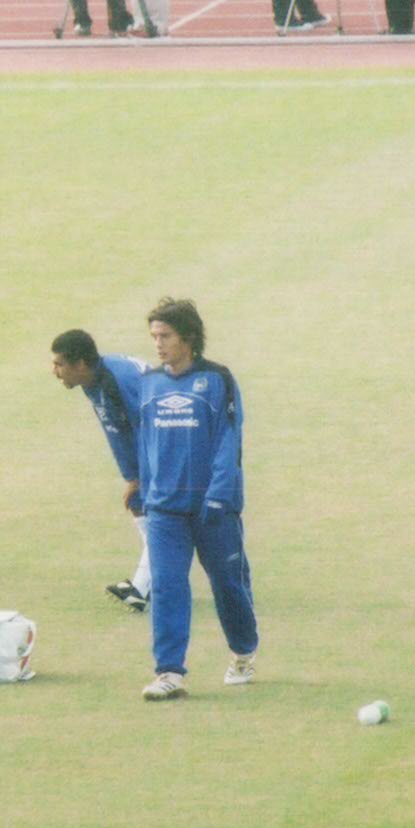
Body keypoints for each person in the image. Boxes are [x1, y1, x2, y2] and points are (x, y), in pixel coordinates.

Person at [136, 298, 257, 701]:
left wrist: (220, 495)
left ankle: (243, 651)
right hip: (164, 509)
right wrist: (148, 492)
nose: (158, 344)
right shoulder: (149, 383)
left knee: (227, 584)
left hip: (213, 507)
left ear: (188, 337)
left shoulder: (217, 380)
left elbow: (228, 440)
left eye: (165, 336)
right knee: (167, 586)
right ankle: (169, 672)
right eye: (154, 336)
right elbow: (146, 442)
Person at [50, 329, 152, 612]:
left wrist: (143, 477)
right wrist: (132, 477)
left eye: (59, 364)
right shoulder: (90, 381)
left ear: (80, 364)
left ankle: (142, 588)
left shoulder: (119, 381)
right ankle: (150, 581)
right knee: (140, 506)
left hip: (168, 450)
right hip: (143, 460)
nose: (54, 371)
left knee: (163, 519)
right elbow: (117, 429)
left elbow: (150, 430)